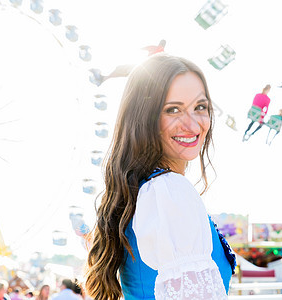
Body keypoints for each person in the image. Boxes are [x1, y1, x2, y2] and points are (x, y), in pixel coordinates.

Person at [84, 54, 236, 300]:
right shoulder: (168, 191)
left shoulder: (143, 190)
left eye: (200, 107)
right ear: (145, 118)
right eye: (173, 110)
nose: (193, 124)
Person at [89, 39, 166, 87]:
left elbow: (144, 48)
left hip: (141, 68)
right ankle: (103, 79)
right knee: (122, 71)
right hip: (144, 71)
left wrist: (138, 49)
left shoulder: (156, 48)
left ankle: (102, 79)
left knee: (120, 69)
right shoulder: (162, 52)